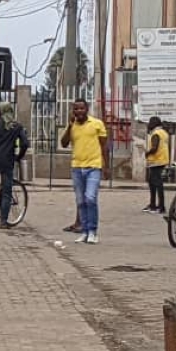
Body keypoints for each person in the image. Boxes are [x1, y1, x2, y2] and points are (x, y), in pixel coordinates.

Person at [60, 98, 108, 244]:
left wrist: (106, 166)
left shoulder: (97, 124)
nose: (79, 111)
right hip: (77, 167)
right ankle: (84, 231)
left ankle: (93, 231)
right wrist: (69, 125)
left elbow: (104, 146)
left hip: (93, 166)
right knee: (80, 201)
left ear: (87, 109)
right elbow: (63, 143)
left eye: (81, 108)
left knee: (90, 198)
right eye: (76, 109)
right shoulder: (72, 126)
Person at [0, 102, 30, 229]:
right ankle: (3, 221)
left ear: (0, 111)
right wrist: (18, 157)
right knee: (7, 191)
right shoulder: (17, 126)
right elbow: (25, 143)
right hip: (7, 160)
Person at [143, 117, 170, 214]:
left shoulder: (156, 134)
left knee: (157, 184)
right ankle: (153, 204)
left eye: (150, 122)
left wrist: (147, 153)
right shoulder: (164, 132)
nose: (148, 124)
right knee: (153, 183)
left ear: (153, 123)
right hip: (162, 160)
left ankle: (160, 207)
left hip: (156, 161)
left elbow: (154, 148)